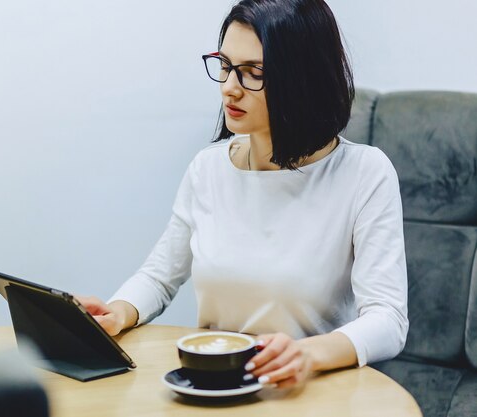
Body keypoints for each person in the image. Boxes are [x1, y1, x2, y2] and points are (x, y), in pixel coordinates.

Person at [78, 0, 408, 389]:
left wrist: (310, 353)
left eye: (254, 73)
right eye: (224, 66)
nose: (230, 89)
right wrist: (118, 312)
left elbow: (388, 319)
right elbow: (159, 276)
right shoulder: (208, 168)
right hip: (216, 384)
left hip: (307, 387)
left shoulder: (364, 173)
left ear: (303, 79)